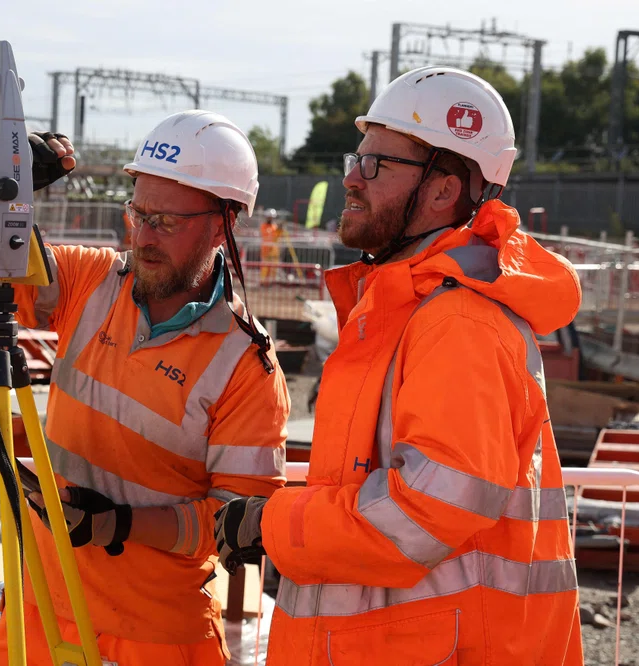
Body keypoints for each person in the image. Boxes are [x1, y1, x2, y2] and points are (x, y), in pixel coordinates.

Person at [214, 66, 584, 665]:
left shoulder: (455, 323)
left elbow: (430, 509)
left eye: (376, 165)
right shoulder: (405, 310)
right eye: (354, 160)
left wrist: (272, 525)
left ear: (442, 190)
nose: (352, 180)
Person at [0, 110, 290, 666]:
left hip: (158, 636)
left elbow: (235, 524)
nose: (143, 237)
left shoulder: (246, 367)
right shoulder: (91, 282)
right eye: (138, 213)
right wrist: (7, 193)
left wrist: (116, 523)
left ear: (223, 224)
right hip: (42, 614)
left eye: (166, 222)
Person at [260, 208, 282, 284]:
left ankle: (272, 282)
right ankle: (263, 282)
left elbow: (277, 237)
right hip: (266, 251)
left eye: (271, 217)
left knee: (273, 268)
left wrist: (279, 230)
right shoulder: (263, 226)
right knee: (265, 267)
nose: (270, 219)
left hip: (274, 251)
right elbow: (266, 235)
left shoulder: (275, 226)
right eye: (269, 217)